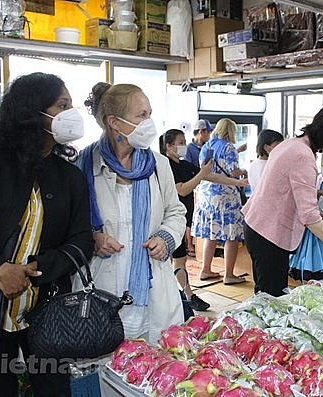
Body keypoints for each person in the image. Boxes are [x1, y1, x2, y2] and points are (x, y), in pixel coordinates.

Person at [0, 72, 94, 396]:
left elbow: (82, 240)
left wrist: (40, 268)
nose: (72, 113)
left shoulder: (68, 176)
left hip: (47, 311)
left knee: (52, 387)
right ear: (33, 112)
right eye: (62, 105)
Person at [79, 83, 187, 342]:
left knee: (153, 365)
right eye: (141, 116)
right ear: (115, 122)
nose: (149, 122)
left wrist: (165, 238)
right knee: (105, 367)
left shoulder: (158, 165)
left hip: (151, 287)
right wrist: (92, 237)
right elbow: (68, 224)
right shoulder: (84, 166)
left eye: (149, 114)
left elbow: (175, 212)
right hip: (103, 286)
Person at [243, 104, 323, 297]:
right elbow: (309, 216)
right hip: (268, 234)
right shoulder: (303, 156)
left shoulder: (293, 144)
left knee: (266, 293)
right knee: (271, 298)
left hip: (259, 227)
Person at [160, 128, 242, 311]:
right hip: (167, 222)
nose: (183, 146)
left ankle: (187, 296)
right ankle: (177, 296)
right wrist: (202, 173)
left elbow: (211, 176)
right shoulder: (165, 165)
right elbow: (182, 189)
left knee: (180, 261)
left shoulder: (184, 165)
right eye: (180, 143)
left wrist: (237, 183)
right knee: (167, 262)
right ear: (168, 146)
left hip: (181, 221)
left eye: (183, 142)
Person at [192, 118, 249, 285]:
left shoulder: (206, 147)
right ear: (230, 131)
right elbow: (232, 172)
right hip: (226, 196)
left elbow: (210, 167)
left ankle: (206, 270)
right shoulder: (228, 147)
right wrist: (244, 171)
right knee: (231, 236)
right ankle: (229, 274)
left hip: (206, 195)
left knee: (212, 233)